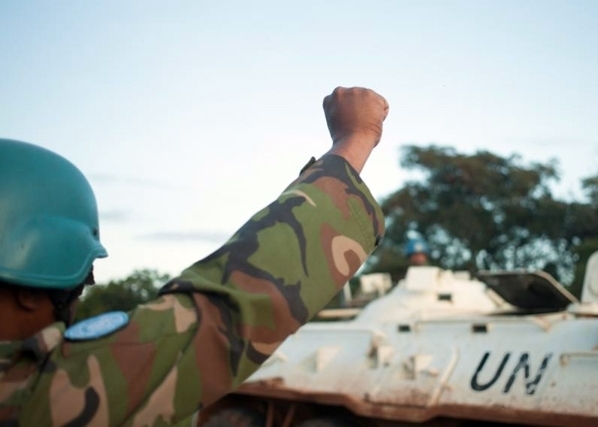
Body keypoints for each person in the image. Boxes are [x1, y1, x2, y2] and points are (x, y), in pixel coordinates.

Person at [0, 86, 388, 426]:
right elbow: (230, 308)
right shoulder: (41, 394)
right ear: (31, 291)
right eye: (81, 279)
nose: (89, 287)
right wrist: (354, 139)